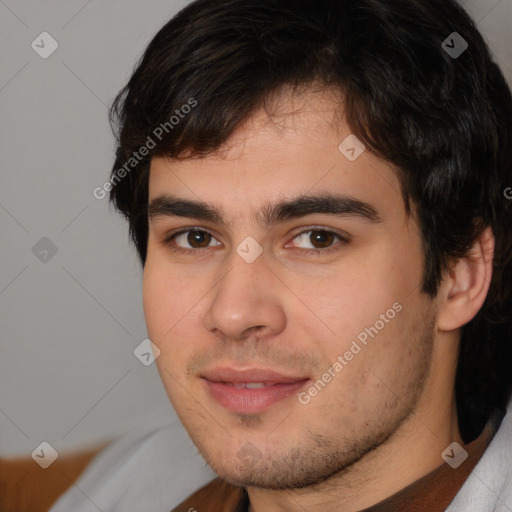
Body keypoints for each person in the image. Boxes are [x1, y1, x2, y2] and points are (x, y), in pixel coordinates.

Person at [55, 0, 512, 510]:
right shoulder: (115, 490)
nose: (233, 314)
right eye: (195, 237)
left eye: (317, 238)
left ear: (462, 275)